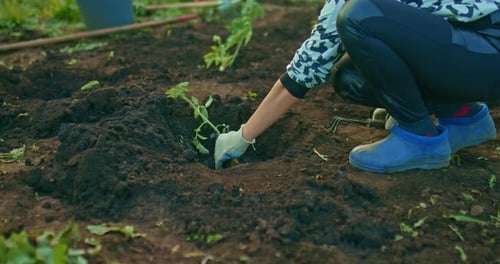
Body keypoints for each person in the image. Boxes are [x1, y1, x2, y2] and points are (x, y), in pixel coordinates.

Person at [214, 0, 500, 173]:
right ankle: (463, 117)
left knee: (359, 16)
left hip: (489, 52)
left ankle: (420, 141)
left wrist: (243, 136)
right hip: (476, 49)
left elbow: (304, 70)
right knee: (352, 76)